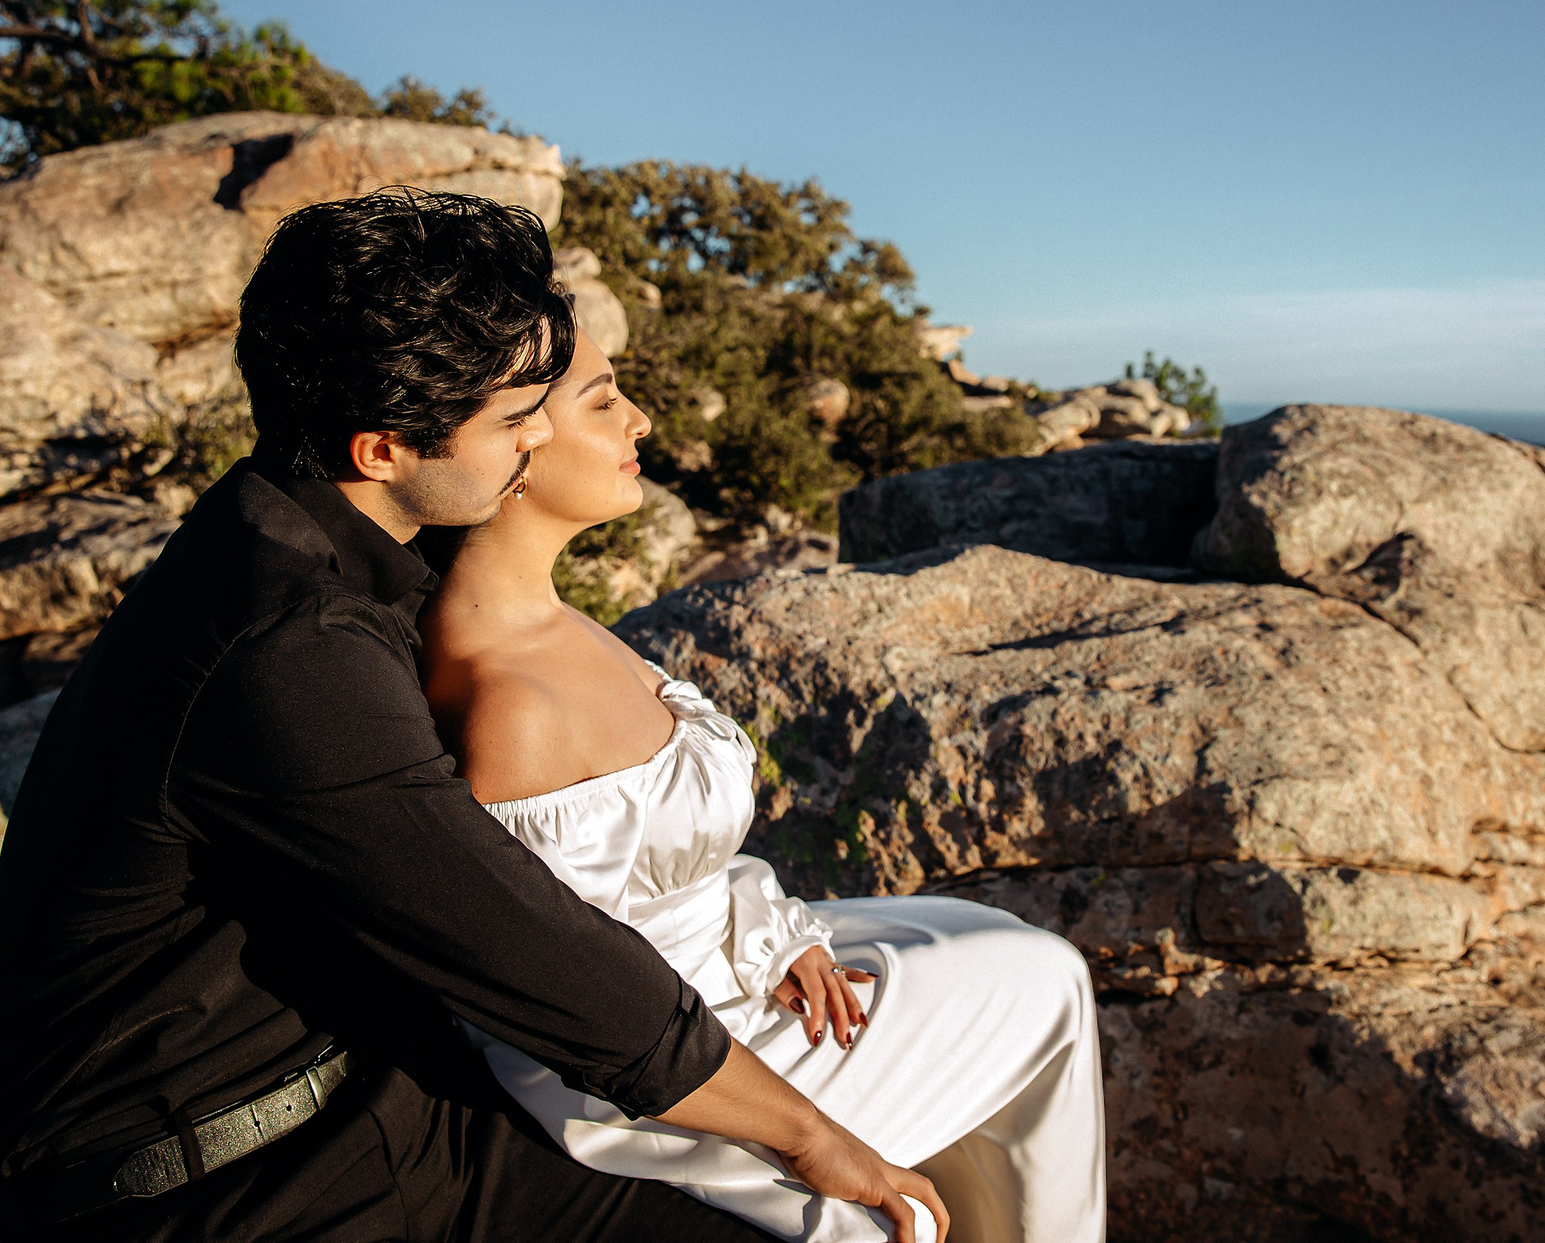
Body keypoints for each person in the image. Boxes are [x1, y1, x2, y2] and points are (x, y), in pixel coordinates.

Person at [0, 187, 944, 1243]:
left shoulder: (298, 522)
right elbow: (524, 943)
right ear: (383, 447)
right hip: (225, 1185)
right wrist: (808, 1133)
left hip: (389, 1097)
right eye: (514, 418)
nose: (538, 441)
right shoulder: (284, 648)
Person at [417, 331, 1108, 1243]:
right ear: (514, 444)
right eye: (602, 401)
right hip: (683, 1060)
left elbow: (646, 856)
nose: (642, 420)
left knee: (999, 945)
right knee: (1045, 987)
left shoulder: (555, 619)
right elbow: (572, 989)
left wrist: (770, 928)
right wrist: (794, 1126)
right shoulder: (512, 703)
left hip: (740, 959)